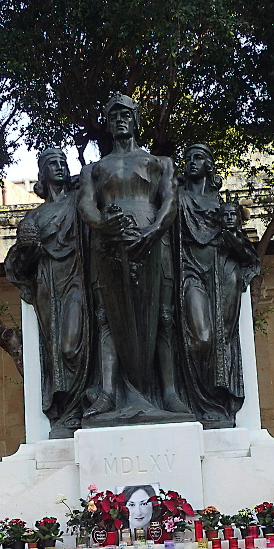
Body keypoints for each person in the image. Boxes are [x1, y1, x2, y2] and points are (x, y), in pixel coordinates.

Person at [78, 94, 188, 422]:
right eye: (114, 116)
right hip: (109, 246)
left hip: (153, 242)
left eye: (126, 114)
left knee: (164, 316)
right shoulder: (94, 170)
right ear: (108, 124)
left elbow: (170, 201)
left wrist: (153, 232)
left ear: (136, 119)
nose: (120, 119)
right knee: (106, 318)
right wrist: (101, 223)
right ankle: (109, 393)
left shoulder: (160, 163)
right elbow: (86, 204)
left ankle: (169, 393)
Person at [5, 147, 90, 437]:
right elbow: (22, 264)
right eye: (52, 164)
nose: (59, 167)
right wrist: (31, 249)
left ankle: (85, 401)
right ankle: (66, 410)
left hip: (76, 279)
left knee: (72, 344)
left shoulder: (80, 203)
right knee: (54, 347)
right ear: (42, 175)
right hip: (46, 283)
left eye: (62, 163)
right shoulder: (34, 217)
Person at [177, 147, 259, 427]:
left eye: (197, 158)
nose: (190, 163)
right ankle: (200, 401)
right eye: (187, 159)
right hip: (190, 273)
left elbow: (246, 252)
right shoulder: (177, 200)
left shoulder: (224, 209)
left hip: (222, 274)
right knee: (201, 337)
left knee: (223, 338)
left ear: (209, 166)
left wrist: (230, 235)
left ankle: (217, 405)